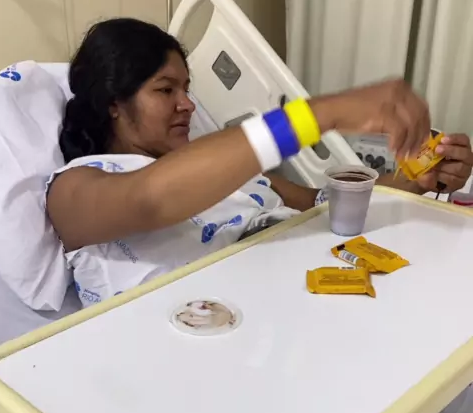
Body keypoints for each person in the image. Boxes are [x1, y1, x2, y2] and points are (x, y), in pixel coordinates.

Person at [46, 18, 473, 308]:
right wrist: (322, 115)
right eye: (165, 90)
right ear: (113, 103)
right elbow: (149, 201)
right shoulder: (75, 187)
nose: (187, 104)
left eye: (186, 89)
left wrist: (419, 181)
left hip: (322, 295)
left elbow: (323, 202)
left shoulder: (221, 168)